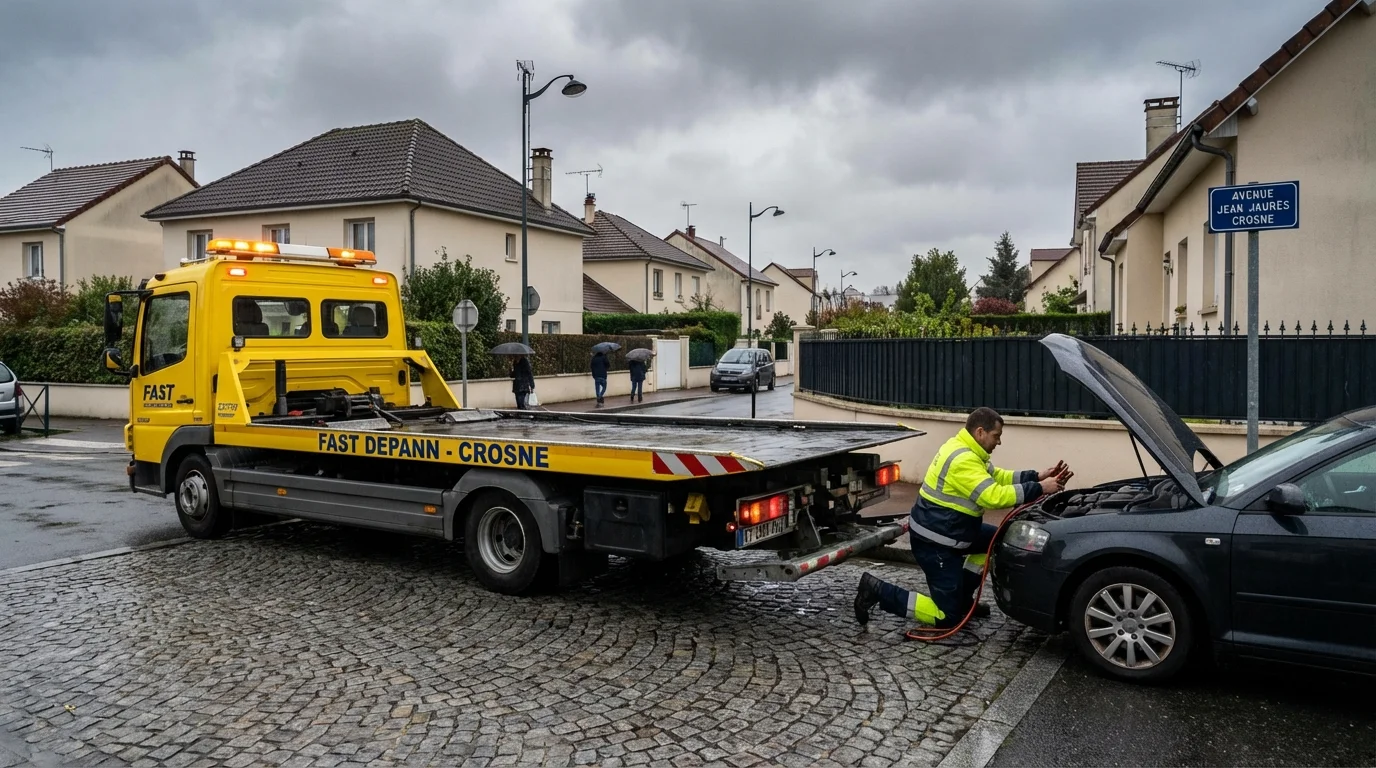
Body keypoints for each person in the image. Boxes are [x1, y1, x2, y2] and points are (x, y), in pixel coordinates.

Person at [855, 407, 1072, 629]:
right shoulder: (963, 460)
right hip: (935, 543)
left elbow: (995, 476)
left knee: (994, 541)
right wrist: (1038, 488)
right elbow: (992, 496)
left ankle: (962, 601)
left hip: (953, 531)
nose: (999, 442)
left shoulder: (967, 449)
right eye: (996, 436)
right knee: (945, 617)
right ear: (980, 432)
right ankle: (878, 590)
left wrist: (1036, 476)